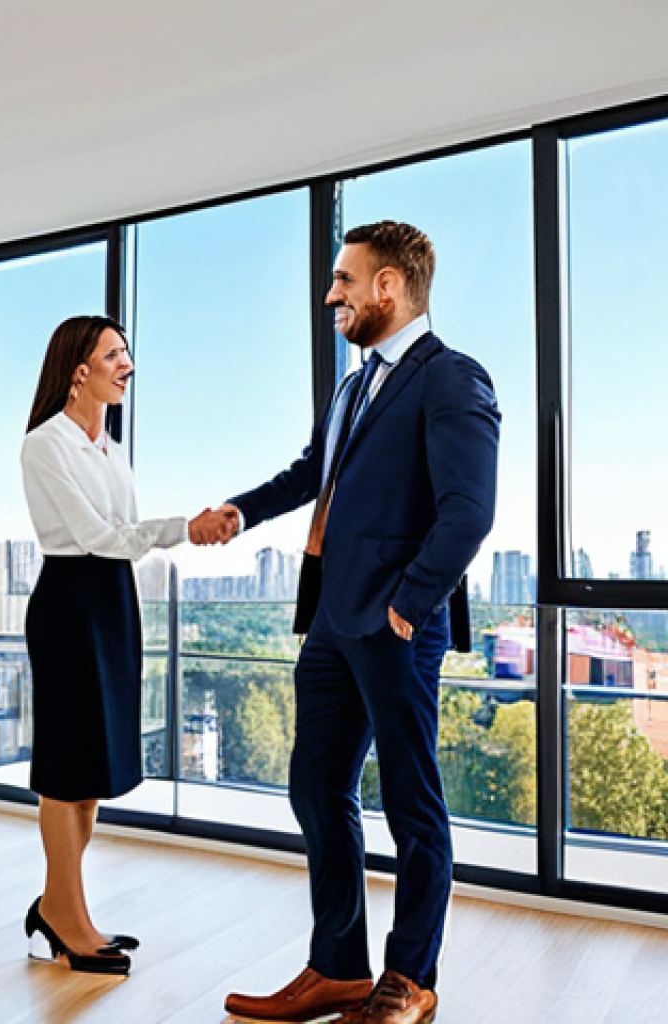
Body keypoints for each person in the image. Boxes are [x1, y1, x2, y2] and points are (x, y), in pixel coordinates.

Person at [208, 221, 500, 1023]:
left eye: (344, 278)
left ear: (388, 286)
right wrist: (240, 511)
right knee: (316, 785)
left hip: (399, 622)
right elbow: (313, 473)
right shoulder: (352, 386)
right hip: (335, 620)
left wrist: (410, 604)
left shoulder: (451, 378)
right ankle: (337, 968)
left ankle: (410, 981)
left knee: (412, 803)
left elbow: (469, 513)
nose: (330, 292)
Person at [20, 314, 223, 977]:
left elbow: (122, 531)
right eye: (115, 354)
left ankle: (62, 907)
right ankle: (66, 918)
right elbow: (95, 535)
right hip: (71, 602)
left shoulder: (109, 448)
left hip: (113, 603)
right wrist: (184, 530)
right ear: (78, 369)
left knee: (93, 773)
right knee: (65, 769)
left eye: (127, 353)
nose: (127, 364)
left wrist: (170, 530)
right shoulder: (46, 444)